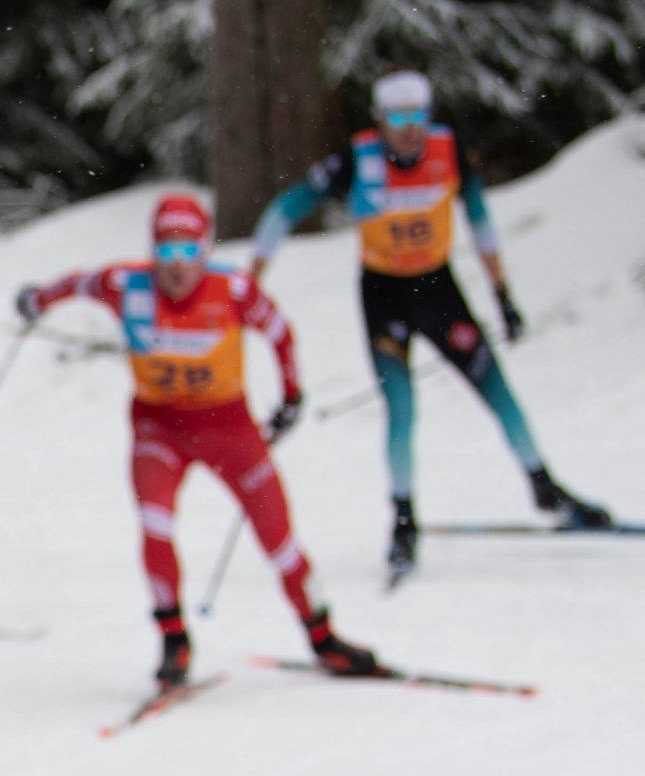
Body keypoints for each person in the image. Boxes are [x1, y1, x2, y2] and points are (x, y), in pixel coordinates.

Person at [250, 68, 610, 571]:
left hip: (439, 292)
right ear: (379, 119)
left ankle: (545, 489)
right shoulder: (356, 161)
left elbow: (480, 223)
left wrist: (502, 293)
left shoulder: (448, 151)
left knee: (496, 389)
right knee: (401, 409)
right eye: (398, 117)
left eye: (418, 115)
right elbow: (282, 212)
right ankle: (403, 518)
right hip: (383, 297)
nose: (409, 128)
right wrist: (252, 282)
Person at [17, 193, 379, 687]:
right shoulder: (126, 285)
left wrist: (291, 397)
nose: (177, 266)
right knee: (155, 523)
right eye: (166, 252)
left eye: (189, 253)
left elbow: (280, 333)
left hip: (228, 428)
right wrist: (36, 301)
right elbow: (76, 283)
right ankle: (174, 641)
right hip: (159, 425)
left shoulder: (232, 289)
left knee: (279, 540)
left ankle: (323, 639)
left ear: (205, 251)